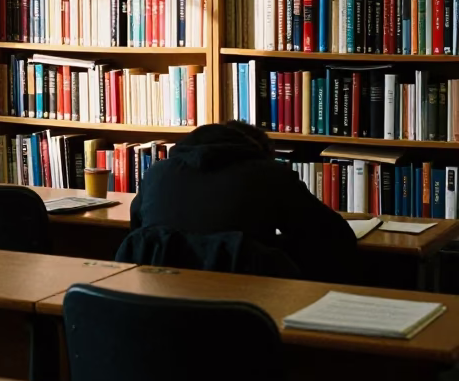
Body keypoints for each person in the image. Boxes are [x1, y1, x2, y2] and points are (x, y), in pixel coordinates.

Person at [129, 120, 358, 282]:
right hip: (242, 299)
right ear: (262, 152)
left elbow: (139, 230)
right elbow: (334, 234)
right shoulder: (269, 173)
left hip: (158, 296)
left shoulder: (157, 172)